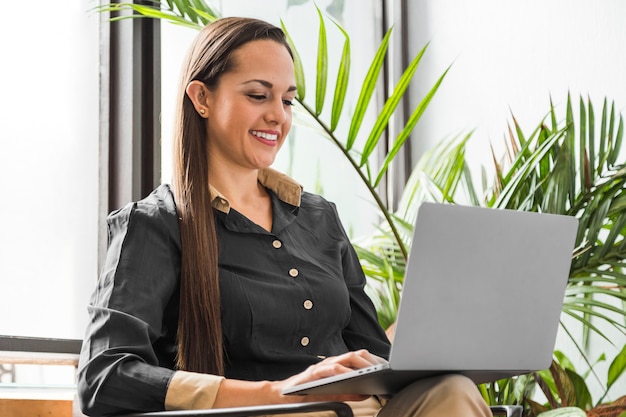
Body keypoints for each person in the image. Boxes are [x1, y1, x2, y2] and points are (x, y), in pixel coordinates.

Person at [77, 16, 492, 417]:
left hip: (356, 412)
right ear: (202, 98)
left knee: (453, 391)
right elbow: (103, 377)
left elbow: (374, 356)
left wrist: (424, 333)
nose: (279, 114)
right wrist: (282, 393)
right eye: (258, 95)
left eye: (288, 99)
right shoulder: (155, 225)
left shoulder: (320, 218)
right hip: (267, 414)